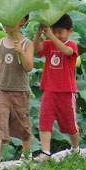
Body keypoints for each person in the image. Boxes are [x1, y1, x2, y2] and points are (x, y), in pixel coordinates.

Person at [0, 15, 34, 166]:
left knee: (23, 123)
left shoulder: (27, 44)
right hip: (2, 90)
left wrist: (21, 52)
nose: (6, 23)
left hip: (20, 90)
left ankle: (26, 154)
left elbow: (29, 67)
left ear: (22, 21)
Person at [33, 14, 80, 161]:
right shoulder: (48, 43)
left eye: (61, 32)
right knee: (44, 120)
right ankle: (46, 152)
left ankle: (75, 149)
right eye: (55, 31)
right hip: (49, 89)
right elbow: (37, 49)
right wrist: (39, 33)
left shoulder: (72, 44)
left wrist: (51, 37)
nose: (57, 35)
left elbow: (67, 52)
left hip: (66, 91)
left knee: (70, 125)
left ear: (70, 31)